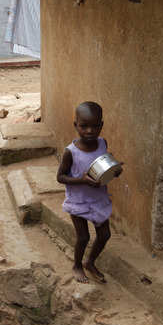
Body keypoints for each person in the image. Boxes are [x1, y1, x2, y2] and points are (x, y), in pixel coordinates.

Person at [57, 102, 122, 283]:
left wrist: (115, 171)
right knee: (83, 237)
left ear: (101, 126)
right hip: (78, 200)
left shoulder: (102, 143)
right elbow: (60, 177)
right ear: (75, 125)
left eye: (95, 126)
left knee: (105, 235)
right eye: (84, 126)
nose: (89, 131)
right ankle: (77, 265)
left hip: (98, 198)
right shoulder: (70, 152)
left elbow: (104, 164)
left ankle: (90, 262)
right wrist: (82, 180)